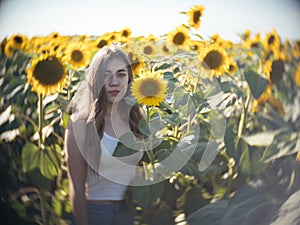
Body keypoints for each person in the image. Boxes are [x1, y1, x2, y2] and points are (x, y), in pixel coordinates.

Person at [64, 45, 145, 225]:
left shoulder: (137, 119)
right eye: (106, 74)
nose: (114, 81)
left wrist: (152, 202)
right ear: (95, 79)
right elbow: (76, 189)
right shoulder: (80, 125)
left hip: (128, 213)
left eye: (121, 74)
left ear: (129, 78)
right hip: (96, 214)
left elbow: (136, 170)